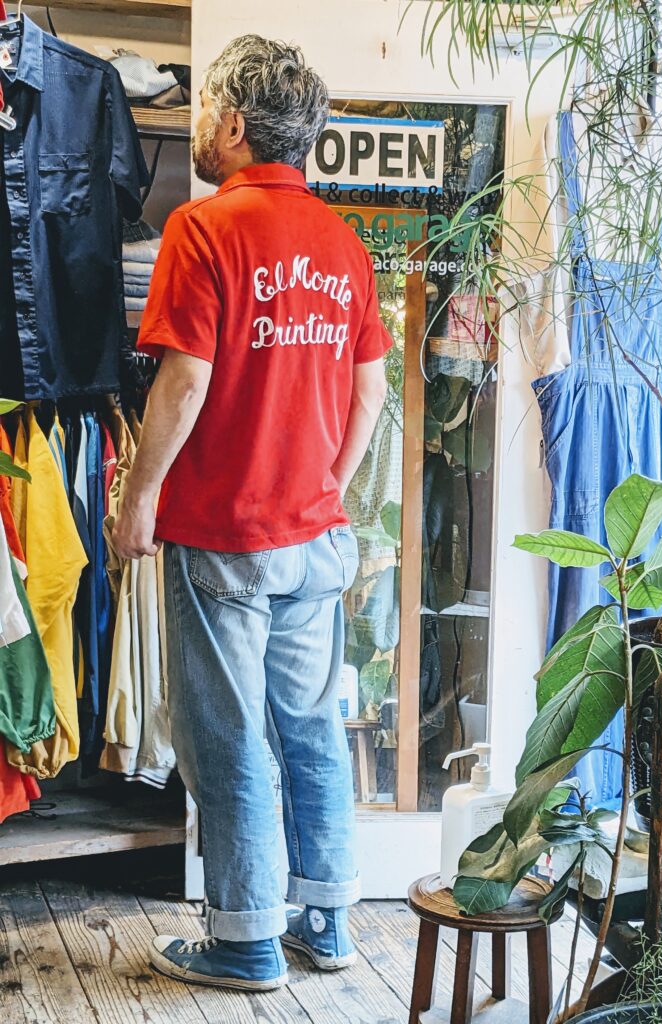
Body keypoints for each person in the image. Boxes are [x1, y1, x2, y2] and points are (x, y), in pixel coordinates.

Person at [112, 35, 390, 991]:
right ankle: (326, 920)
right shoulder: (342, 243)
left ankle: (243, 941)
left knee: (226, 737)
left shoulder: (203, 229)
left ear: (233, 123)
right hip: (313, 537)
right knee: (309, 729)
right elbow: (371, 391)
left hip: (222, 536)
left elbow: (183, 382)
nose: (197, 126)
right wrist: (329, 482)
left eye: (204, 112)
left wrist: (137, 496)